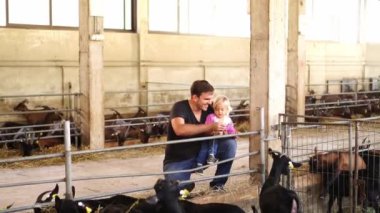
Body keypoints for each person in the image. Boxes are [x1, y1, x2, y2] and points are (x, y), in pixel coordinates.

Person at [163, 80, 237, 193]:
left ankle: (218, 184)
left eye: (211, 98)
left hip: (203, 155)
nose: (210, 102)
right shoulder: (179, 107)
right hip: (179, 160)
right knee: (176, 192)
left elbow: (222, 123)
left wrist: (226, 131)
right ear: (195, 97)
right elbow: (180, 129)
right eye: (206, 99)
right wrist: (210, 127)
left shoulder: (209, 109)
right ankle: (186, 186)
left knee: (229, 144)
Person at [195, 95, 236, 174]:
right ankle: (199, 165)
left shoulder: (228, 120)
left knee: (217, 143)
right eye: (217, 109)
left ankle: (211, 156)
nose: (219, 112)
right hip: (209, 138)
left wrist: (227, 132)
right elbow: (207, 127)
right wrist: (212, 130)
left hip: (220, 139)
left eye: (222, 110)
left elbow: (232, 130)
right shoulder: (211, 117)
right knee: (204, 148)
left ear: (227, 110)